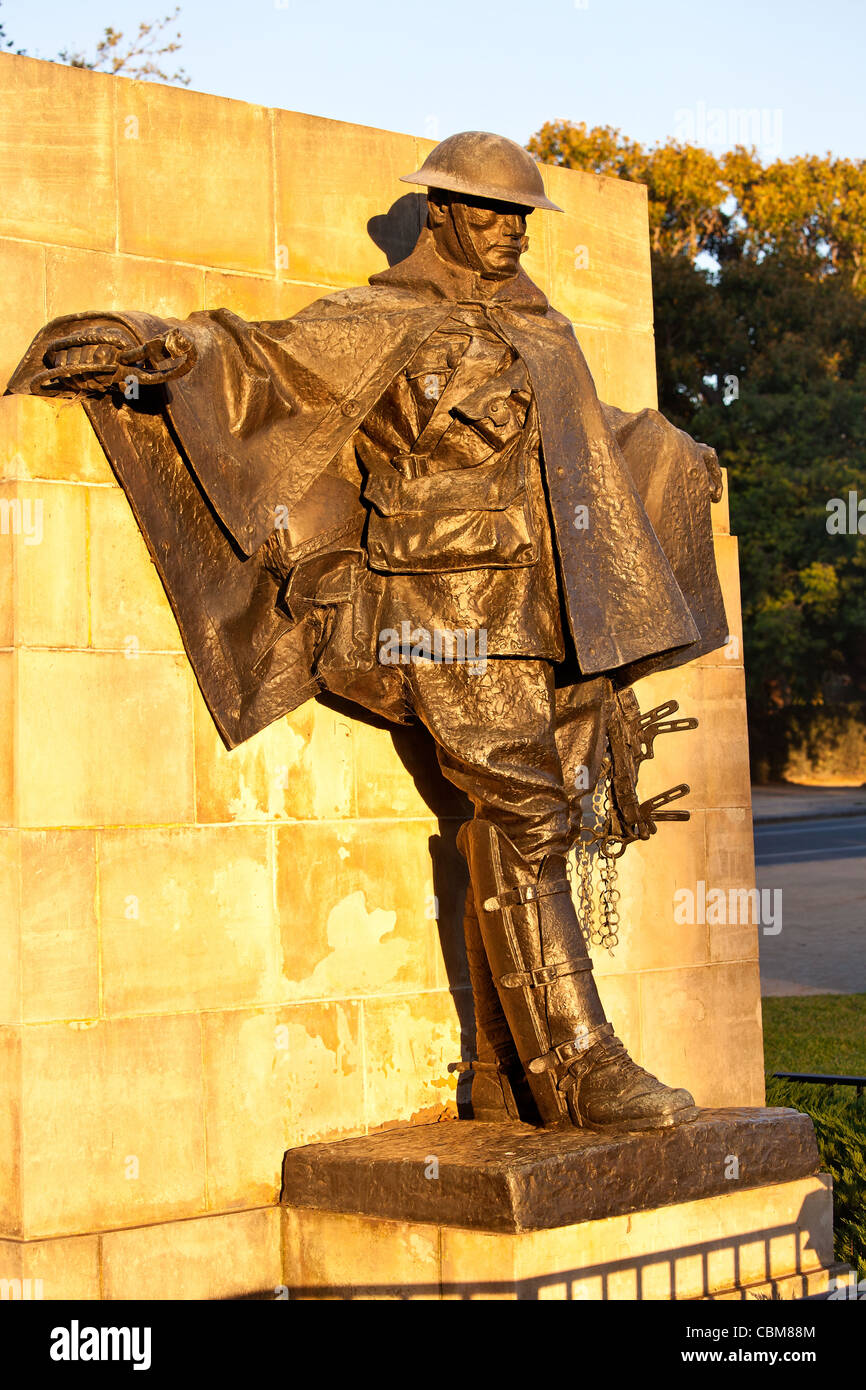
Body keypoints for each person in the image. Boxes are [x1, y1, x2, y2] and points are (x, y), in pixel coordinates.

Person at [7, 131, 728, 1132]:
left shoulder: (543, 329)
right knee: (527, 817)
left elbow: (582, 438)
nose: (507, 233)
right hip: (435, 606)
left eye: (519, 216)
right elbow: (256, 363)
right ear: (438, 213)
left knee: (509, 819)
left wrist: (670, 451)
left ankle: (500, 1072)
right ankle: (577, 1064)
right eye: (487, 213)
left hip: (538, 609)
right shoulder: (378, 317)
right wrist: (142, 344)